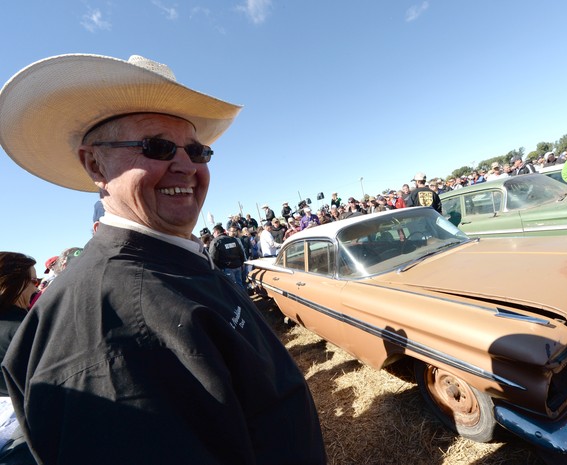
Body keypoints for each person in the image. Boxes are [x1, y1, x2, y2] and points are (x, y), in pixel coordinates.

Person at [0, 53, 325, 464]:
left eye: (197, 150)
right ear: (94, 164)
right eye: (157, 147)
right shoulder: (106, 323)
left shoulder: (170, 259)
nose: (186, 166)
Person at [0, 252, 38, 465]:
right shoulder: (28, 329)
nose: (36, 287)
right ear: (14, 283)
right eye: (32, 280)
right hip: (18, 425)